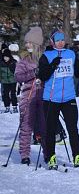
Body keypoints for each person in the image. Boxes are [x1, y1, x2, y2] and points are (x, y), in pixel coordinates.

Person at [38, 30, 79, 169]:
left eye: (62, 39)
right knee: (51, 129)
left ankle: (77, 156)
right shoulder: (46, 56)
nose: (60, 42)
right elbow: (43, 76)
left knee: (73, 128)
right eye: (57, 40)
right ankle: (51, 156)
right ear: (52, 41)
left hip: (69, 97)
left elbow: (78, 73)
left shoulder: (70, 54)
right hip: (51, 98)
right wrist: (53, 66)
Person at [15, 27, 47, 165]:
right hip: (28, 96)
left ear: (36, 44)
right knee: (26, 126)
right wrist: (33, 73)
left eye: (29, 42)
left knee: (44, 126)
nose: (27, 45)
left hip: (43, 95)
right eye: (26, 42)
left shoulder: (45, 58)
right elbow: (18, 77)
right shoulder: (24, 60)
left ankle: (48, 153)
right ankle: (25, 155)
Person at [0, 48, 18, 113]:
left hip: (13, 81)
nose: (5, 58)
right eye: (4, 57)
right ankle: (7, 107)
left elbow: (17, 71)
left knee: (13, 94)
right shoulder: (1, 63)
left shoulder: (14, 62)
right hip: (5, 81)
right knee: (5, 94)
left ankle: (15, 107)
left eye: (7, 57)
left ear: (9, 56)